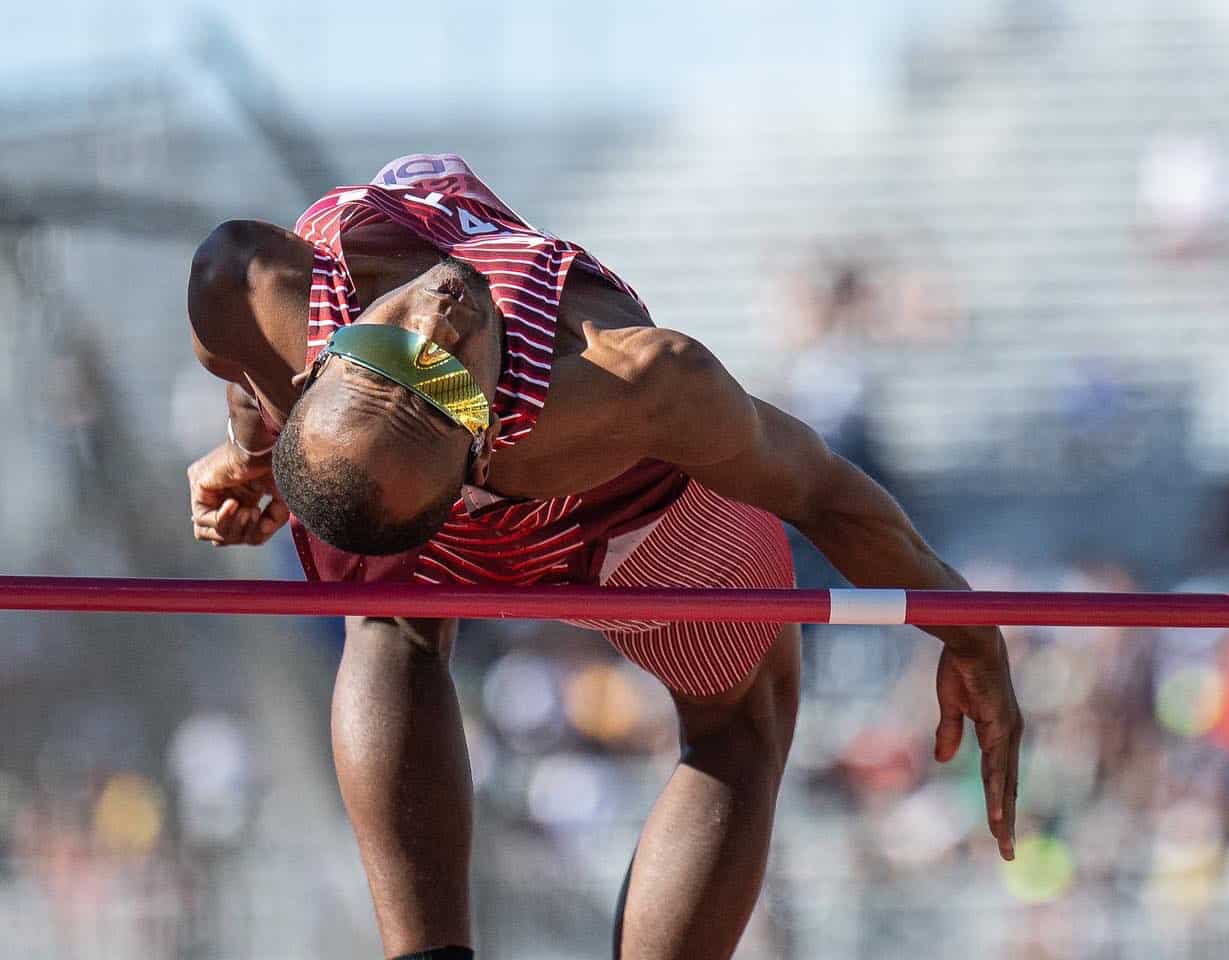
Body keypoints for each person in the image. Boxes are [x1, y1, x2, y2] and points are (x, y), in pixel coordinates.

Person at [184, 153, 1023, 960]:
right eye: (437, 380)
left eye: (385, 352)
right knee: (740, 721)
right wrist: (973, 637)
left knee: (385, 600)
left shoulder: (247, 280)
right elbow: (823, 492)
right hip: (612, 486)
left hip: (544, 483)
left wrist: (254, 451)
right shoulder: (638, 379)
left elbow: (253, 368)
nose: (434, 320)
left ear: (321, 355)